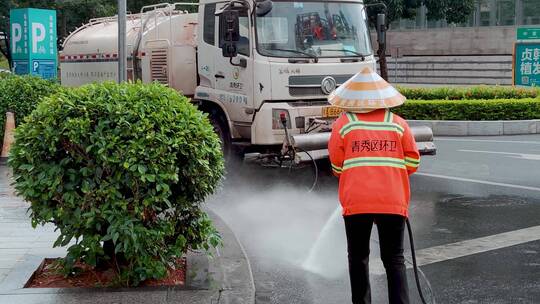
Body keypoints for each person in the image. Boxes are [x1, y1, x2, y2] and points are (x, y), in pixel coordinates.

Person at [327, 67, 420, 304]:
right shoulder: (398, 124)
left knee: (358, 257)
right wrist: (390, 173)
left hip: (357, 202)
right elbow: (412, 162)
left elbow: (337, 166)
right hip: (392, 200)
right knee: (395, 258)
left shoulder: (344, 124)